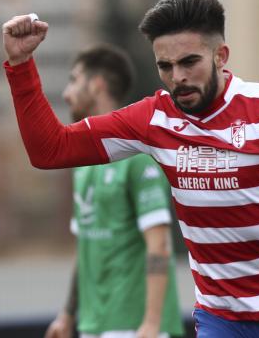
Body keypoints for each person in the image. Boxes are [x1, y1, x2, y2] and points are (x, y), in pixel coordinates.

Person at [1, 0, 259, 337]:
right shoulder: (152, 119)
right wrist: (20, 66)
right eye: (165, 67)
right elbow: (49, 150)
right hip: (222, 319)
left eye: (190, 62)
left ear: (221, 56)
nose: (179, 78)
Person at [44, 45, 184, 338]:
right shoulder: (82, 163)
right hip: (94, 324)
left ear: (97, 85)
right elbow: (86, 245)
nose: (66, 93)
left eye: (74, 80)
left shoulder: (137, 155)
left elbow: (158, 246)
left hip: (135, 326)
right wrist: (68, 313)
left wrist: (152, 324)